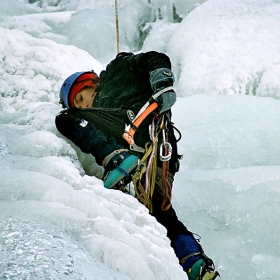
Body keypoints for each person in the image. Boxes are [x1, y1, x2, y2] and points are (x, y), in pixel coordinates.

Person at [55, 51, 219, 280]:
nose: (85, 107)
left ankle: (115, 158)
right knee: (159, 212)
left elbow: (154, 58)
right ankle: (194, 261)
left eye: (82, 98)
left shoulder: (116, 69)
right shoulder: (96, 115)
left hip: (136, 124)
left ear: (90, 83)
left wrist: (162, 81)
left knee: (65, 118)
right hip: (159, 153)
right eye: (79, 105)